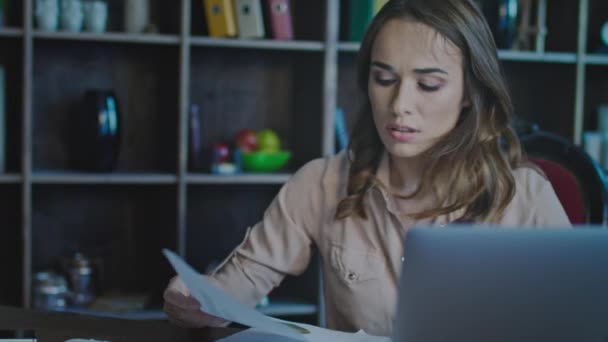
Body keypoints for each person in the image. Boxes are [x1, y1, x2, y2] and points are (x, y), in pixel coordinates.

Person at [163, 0, 570, 336]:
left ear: (469, 93)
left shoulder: (526, 197)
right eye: (384, 78)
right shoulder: (321, 183)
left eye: (428, 85)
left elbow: (577, 322)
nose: (399, 105)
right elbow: (237, 287)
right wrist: (198, 300)